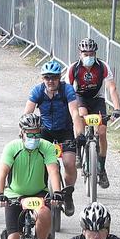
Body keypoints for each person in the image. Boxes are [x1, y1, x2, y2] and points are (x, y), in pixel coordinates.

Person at [0, 112, 63, 239]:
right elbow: (2, 172)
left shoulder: (47, 147)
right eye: (29, 134)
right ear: (22, 132)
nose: (33, 138)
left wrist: (56, 192)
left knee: (44, 212)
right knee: (13, 238)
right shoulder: (12, 148)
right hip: (14, 195)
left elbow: (53, 170)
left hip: (38, 193)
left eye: (36, 134)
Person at [66, 38, 120, 190]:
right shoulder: (73, 68)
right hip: (80, 98)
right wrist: (70, 111)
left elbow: (111, 88)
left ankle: (101, 168)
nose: (88, 56)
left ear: (95, 53)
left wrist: (117, 108)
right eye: (85, 53)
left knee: (102, 132)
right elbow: (67, 91)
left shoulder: (102, 66)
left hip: (97, 99)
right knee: (81, 118)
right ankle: (78, 150)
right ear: (80, 54)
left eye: (91, 53)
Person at [25, 58, 80, 213]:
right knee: (40, 164)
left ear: (59, 78)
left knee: (69, 163)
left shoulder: (67, 90)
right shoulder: (37, 91)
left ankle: (68, 193)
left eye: (54, 77)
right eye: (47, 77)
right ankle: (41, 193)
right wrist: (23, 133)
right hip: (46, 131)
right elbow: (26, 114)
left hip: (65, 130)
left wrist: (79, 134)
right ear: (43, 79)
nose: (50, 81)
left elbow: (75, 113)